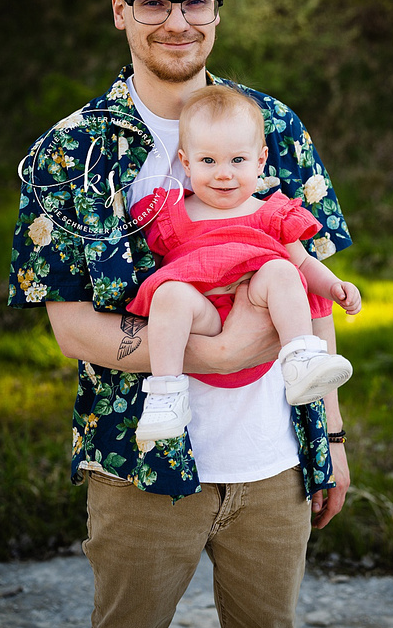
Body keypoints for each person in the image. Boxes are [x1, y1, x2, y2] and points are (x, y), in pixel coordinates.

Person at [8, 0, 354, 628]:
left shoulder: (274, 128)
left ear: (216, 10)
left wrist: (335, 440)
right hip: (139, 463)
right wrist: (221, 354)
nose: (178, 21)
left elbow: (313, 290)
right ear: (119, 10)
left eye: (196, 1)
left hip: (275, 460)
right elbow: (73, 329)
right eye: (153, 2)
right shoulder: (71, 153)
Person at [125, 85, 361, 444]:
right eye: (208, 161)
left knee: (283, 270)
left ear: (260, 160)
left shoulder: (272, 214)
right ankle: (166, 394)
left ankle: (300, 357)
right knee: (169, 293)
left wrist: (333, 286)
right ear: (186, 163)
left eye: (237, 160)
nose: (224, 174)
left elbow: (304, 262)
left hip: (257, 313)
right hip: (201, 321)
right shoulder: (171, 215)